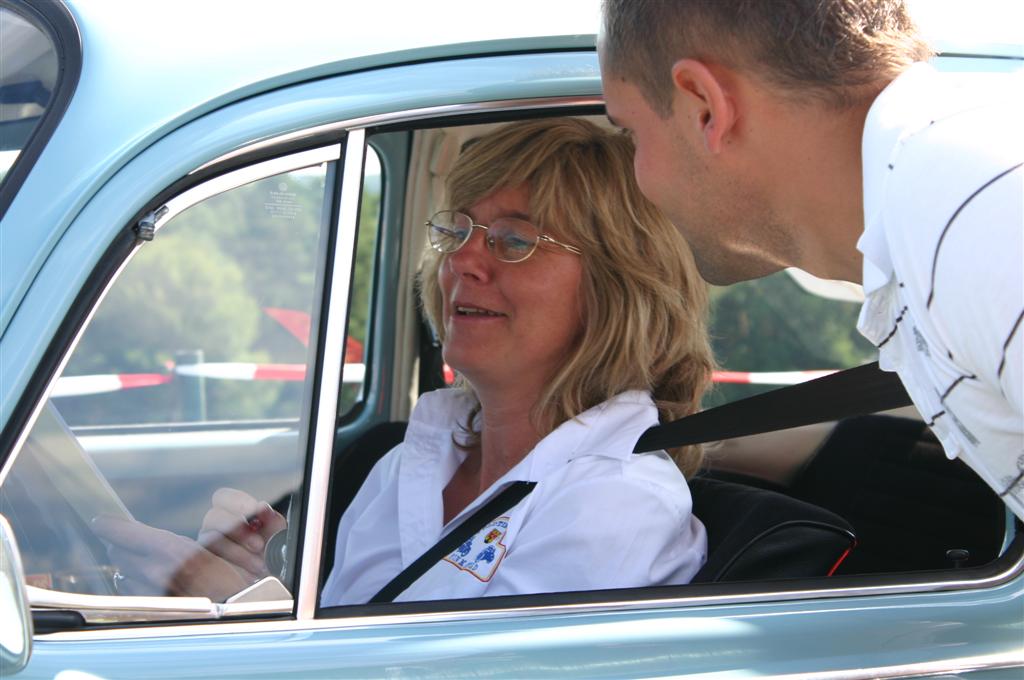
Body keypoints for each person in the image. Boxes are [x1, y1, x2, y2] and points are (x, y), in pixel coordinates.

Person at [96, 118, 716, 604]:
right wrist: (260, 590)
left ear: (616, 287)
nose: (464, 261)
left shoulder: (618, 501)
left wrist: (232, 601)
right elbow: (359, 636)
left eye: (515, 240)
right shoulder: (409, 464)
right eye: (459, 231)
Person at [598, 0, 1024, 519]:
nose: (640, 181)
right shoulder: (939, 217)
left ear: (703, 106)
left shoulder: (975, 216)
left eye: (630, 134)